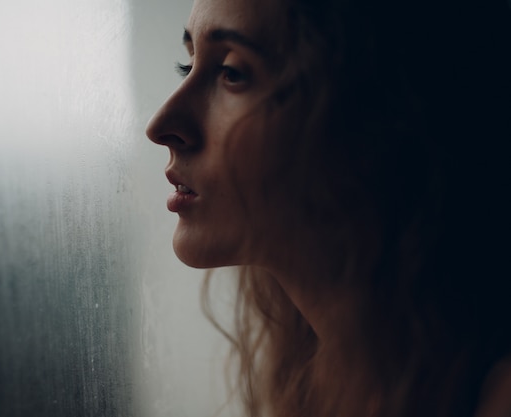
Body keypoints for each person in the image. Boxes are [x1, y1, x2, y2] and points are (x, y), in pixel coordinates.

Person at [146, 0, 511, 416]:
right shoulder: (322, 376)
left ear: (375, 113)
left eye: (232, 72)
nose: (161, 125)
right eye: (187, 65)